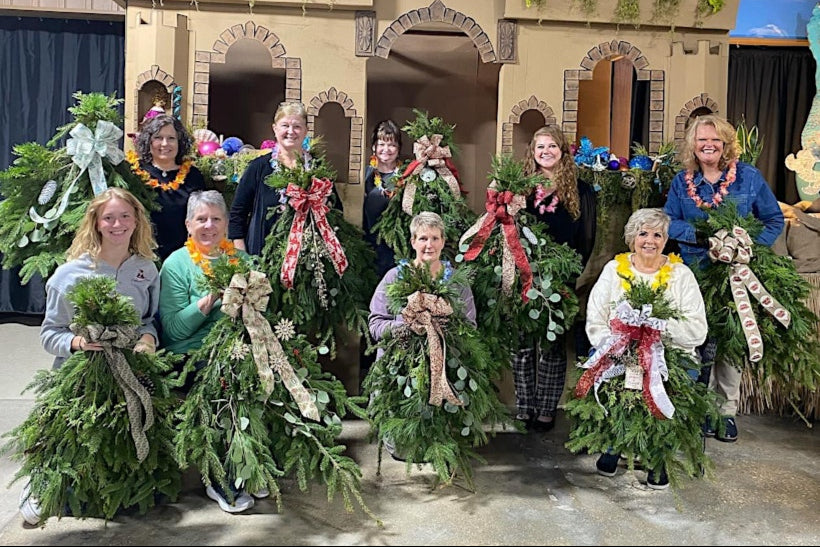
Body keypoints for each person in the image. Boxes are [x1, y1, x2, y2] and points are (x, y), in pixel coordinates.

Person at [663, 114, 785, 442]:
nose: (709, 145)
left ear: (726, 144)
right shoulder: (682, 182)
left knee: (730, 344)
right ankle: (695, 407)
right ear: (693, 145)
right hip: (695, 277)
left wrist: (744, 246)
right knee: (695, 342)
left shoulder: (748, 178)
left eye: (715, 140)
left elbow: (774, 220)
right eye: (702, 140)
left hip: (736, 276)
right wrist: (702, 238)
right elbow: (668, 222)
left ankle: (725, 411)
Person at [586, 208, 708, 489]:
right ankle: (614, 444)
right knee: (613, 377)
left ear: (666, 240)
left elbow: (697, 330)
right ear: (632, 238)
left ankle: (657, 455)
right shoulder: (614, 270)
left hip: (671, 354)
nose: (650, 241)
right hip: (619, 351)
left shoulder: (681, 275)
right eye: (643, 233)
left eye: (658, 234)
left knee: (667, 383)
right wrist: (615, 346)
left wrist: (657, 332)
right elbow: (596, 317)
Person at [159, 190, 256, 513]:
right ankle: (221, 477)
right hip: (191, 357)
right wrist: (211, 297)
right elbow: (173, 331)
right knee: (223, 389)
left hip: (236, 348)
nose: (209, 226)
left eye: (216, 219)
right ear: (188, 225)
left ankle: (256, 466)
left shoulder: (241, 261)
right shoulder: (176, 264)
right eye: (202, 219)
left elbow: (257, 313)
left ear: (227, 223)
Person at [368, 211, 477, 461]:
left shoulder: (457, 283)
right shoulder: (394, 278)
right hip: (399, 368)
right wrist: (405, 327)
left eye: (435, 238)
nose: (430, 245)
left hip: (444, 365)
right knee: (400, 449)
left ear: (443, 240)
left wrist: (442, 329)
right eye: (423, 238)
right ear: (413, 241)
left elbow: (470, 325)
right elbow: (375, 323)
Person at [512, 125, 597, 432]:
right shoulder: (521, 189)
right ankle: (524, 406)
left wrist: (572, 273)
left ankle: (546, 409)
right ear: (532, 153)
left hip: (561, 277)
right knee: (522, 345)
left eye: (551, 147)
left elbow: (588, 236)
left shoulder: (581, 190)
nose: (545, 152)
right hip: (524, 275)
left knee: (551, 345)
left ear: (562, 151)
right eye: (540, 148)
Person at [40, 187, 159, 371]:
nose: (117, 224)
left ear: (136, 220)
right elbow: (50, 333)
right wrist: (77, 342)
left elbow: (148, 321)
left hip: (132, 368)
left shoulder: (146, 269)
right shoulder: (68, 275)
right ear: (96, 224)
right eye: (108, 218)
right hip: (82, 373)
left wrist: (148, 339)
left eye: (125, 216)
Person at [228, 101, 342, 256]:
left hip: (308, 260)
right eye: (285, 125)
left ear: (306, 131)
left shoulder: (318, 169)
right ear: (275, 129)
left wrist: (324, 205)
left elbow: (337, 210)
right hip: (263, 257)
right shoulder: (258, 168)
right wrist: (242, 255)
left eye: (297, 126)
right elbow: (237, 214)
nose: (291, 131)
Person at [130, 113, 206, 261]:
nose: (165, 144)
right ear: (148, 141)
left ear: (180, 142)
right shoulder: (134, 173)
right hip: (141, 256)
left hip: (182, 257)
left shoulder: (193, 175)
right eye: (158, 138)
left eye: (171, 138)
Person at [363, 119, 403, 278]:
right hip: (370, 247)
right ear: (374, 146)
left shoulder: (406, 175)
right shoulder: (364, 175)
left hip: (397, 249)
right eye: (381, 144)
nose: (386, 149)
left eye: (392, 144)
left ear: (399, 148)